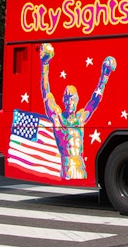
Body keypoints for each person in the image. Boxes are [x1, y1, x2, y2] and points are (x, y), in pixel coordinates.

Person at [40, 42, 116, 180]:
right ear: (63, 100)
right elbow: (46, 93)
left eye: (73, 98)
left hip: (80, 166)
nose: (70, 102)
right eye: (68, 98)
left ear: (77, 100)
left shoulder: (80, 118)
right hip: (66, 166)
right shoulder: (58, 118)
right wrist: (45, 64)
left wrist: (104, 76)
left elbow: (95, 100)